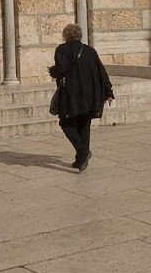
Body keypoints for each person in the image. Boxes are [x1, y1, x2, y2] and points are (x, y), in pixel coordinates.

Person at [48, 23, 113, 171]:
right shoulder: (90, 51)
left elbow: (61, 70)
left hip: (72, 94)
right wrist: (108, 91)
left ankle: (83, 152)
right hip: (90, 94)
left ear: (66, 35)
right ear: (79, 35)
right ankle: (80, 160)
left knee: (65, 124)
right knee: (84, 126)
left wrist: (52, 71)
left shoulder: (61, 50)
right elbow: (101, 71)